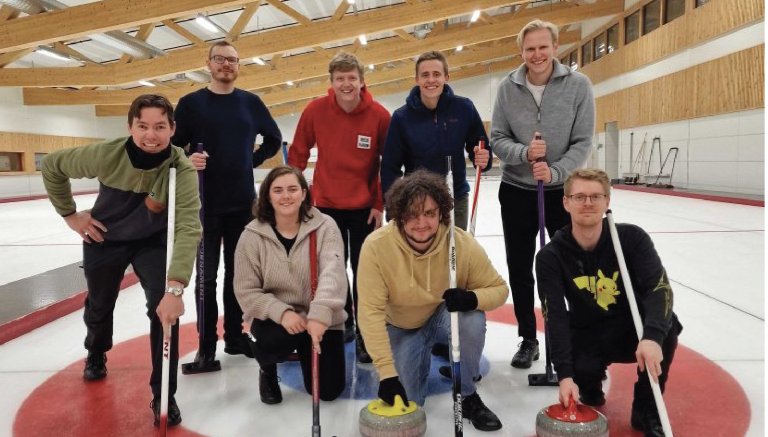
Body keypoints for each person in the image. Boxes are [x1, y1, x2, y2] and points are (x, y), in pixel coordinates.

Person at [40, 94, 201, 427]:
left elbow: (187, 225)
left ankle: (163, 394)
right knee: (100, 305)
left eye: (160, 126)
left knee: (162, 313)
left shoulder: (180, 167)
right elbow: (54, 165)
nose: (150, 135)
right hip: (105, 239)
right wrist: (70, 215)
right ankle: (97, 351)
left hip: (152, 243)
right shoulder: (106, 154)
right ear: (130, 126)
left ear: (172, 129)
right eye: (142, 126)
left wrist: (175, 288)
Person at [357, 170, 508, 432]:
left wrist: (471, 298)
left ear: (442, 213)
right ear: (399, 215)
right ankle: (418, 360)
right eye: (412, 215)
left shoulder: (459, 243)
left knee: (471, 319)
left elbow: (499, 289)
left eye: (429, 213)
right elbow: (370, 312)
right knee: (409, 399)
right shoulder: (376, 246)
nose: (422, 223)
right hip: (402, 324)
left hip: (441, 316)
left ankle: (467, 393)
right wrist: (387, 374)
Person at [536, 169, 682, 437]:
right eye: (579, 196)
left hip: (631, 331)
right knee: (582, 370)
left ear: (607, 201)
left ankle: (646, 408)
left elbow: (659, 288)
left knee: (667, 328)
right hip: (587, 332)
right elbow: (554, 314)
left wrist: (652, 337)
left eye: (596, 196)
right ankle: (589, 384)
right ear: (566, 202)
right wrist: (565, 375)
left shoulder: (632, 239)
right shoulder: (550, 256)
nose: (588, 203)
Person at [491, 19, 595, 368]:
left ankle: (575, 337)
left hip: (560, 194)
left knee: (570, 267)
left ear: (554, 47)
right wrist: (524, 154)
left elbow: (583, 141)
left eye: (542, 47)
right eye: (530, 48)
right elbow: (497, 139)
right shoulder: (508, 88)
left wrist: (556, 171)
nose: (537, 54)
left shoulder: (579, 85)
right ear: (521, 51)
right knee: (520, 268)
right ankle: (528, 339)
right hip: (518, 192)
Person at [172, 41, 283, 371]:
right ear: (208, 63)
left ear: (238, 66)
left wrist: (252, 159)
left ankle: (234, 337)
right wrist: (186, 160)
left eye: (232, 60)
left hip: (241, 206)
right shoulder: (191, 104)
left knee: (239, 277)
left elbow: (274, 138)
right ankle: (206, 347)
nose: (226, 65)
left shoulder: (250, 103)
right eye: (220, 59)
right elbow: (173, 148)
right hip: (204, 206)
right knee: (206, 279)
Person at [288, 51, 391, 364]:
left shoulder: (379, 115)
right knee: (332, 271)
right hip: (325, 208)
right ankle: (342, 322)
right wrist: (297, 192)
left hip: (365, 210)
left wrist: (379, 202)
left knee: (365, 274)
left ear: (362, 81)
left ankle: (365, 334)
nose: (346, 84)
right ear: (331, 82)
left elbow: (389, 163)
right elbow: (298, 153)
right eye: (339, 79)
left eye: (351, 78)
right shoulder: (316, 110)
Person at [234, 166, 348, 404]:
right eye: (278, 190)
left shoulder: (326, 226)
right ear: (267, 195)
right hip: (279, 321)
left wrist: (320, 314)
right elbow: (246, 290)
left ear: (304, 193)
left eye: (292, 189)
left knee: (327, 392)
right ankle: (267, 370)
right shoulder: (252, 236)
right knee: (268, 342)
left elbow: (333, 274)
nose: (286, 196)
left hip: (320, 316)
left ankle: (309, 347)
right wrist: (282, 313)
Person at [381, 50, 491, 230]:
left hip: (456, 199)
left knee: (456, 256)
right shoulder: (401, 117)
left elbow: (480, 146)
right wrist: (392, 208)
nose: (431, 80)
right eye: (425, 75)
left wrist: (483, 158)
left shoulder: (464, 108)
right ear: (417, 79)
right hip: (417, 202)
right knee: (420, 256)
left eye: (436, 74)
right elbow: (390, 167)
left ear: (446, 77)